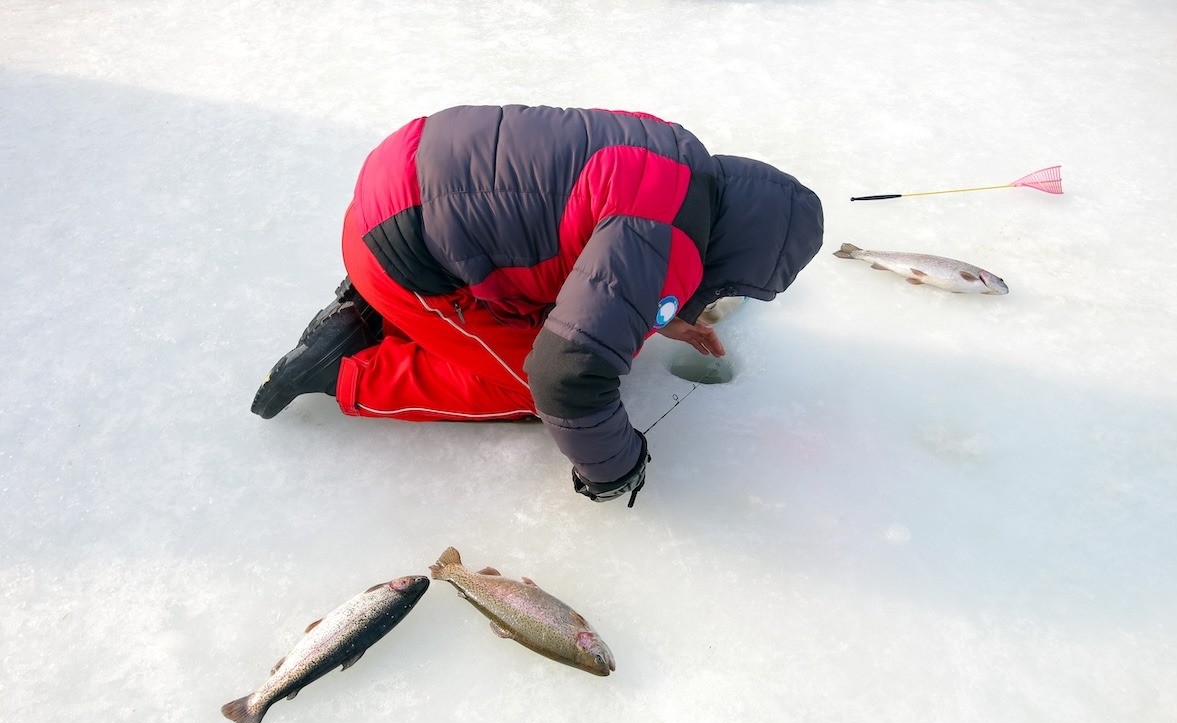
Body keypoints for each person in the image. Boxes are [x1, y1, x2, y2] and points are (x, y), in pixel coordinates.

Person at [251, 105, 823, 505]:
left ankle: (374, 308)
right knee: (528, 390)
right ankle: (351, 369)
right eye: (736, 285)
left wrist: (662, 311)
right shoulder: (663, 242)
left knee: (548, 297)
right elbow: (565, 380)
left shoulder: (675, 152)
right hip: (398, 256)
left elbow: (589, 235)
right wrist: (616, 470)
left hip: (397, 186)